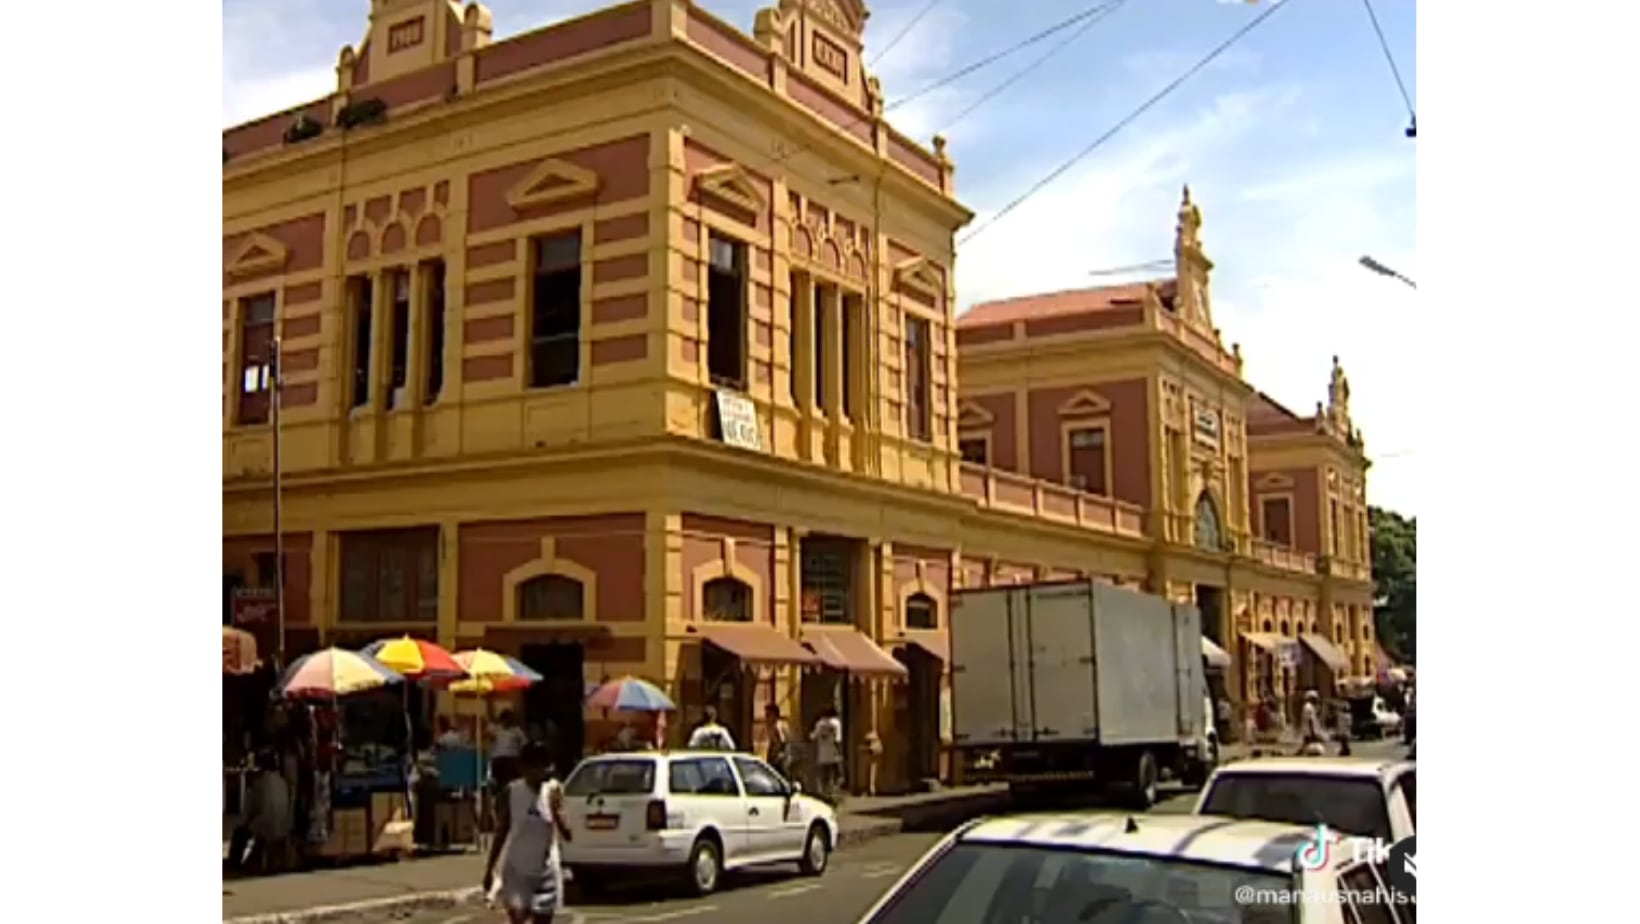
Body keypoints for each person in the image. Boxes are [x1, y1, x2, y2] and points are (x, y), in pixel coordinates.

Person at [483, 743, 571, 924]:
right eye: (534, 767)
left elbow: (568, 834)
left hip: (545, 871)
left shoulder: (553, 790)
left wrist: (559, 813)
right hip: (517, 871)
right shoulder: (512, 791)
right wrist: (490, 868)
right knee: (518, 916)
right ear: (523, 768)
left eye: (544, 767)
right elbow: (501, 831)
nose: (539, 773)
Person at [230, 750, 293, 872]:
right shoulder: (282, 781)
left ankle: (235, 864)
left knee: (239, 832)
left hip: (266, 825)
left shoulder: (258, 783)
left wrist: (244, 824)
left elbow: (248, 811)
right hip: (284, 826)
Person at [811, 707, 844, 802]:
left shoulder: (820, 724)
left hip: (822, 755)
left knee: (823, 777)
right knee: (834, 777)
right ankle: (833, 794)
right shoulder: (836, 723)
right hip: (833, 754)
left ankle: (824, 794)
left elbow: (813, 736)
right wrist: (840, 753)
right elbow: (838, 740)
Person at [491, 710, 527, 789]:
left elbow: (525, 743)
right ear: (502, 720)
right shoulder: (496, 729)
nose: (507, 722)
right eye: (505, 720)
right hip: (498, 757)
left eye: (509, 719)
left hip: (512, 757)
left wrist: (520, 751)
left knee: (511, 772)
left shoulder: (516, 730)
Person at [764, 704, 792, 778]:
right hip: (774, 756)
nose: (766, 718)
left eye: (768, 715)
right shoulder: (771, 726)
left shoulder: (778, 725)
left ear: (774, 715)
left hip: (781, 757)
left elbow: (783, 741)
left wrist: (780, 754)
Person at [1298, 690, 1326, 756]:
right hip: (1309, 730)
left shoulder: (1309, 706)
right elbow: (1310, 720)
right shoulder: (1308, 707)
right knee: (1310, 743)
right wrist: (1313, 732)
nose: (1316, 700)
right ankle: (1300, 753)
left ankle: (1299, 753)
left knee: (1306, 743)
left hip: (1308, 730)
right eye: (1314, 698)